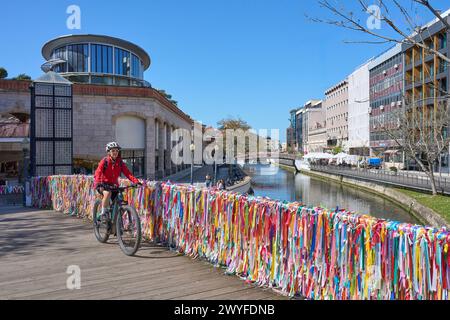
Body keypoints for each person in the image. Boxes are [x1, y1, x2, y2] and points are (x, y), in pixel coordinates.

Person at [94, 142, 141, 221]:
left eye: (116, 151)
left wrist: (136, 181)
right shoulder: (104, 161)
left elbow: (127, 173)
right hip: (103, 184)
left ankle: (115, 223)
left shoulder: (120, 162)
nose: (115, 152)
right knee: (108, 193)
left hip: (114, 185)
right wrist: (99, 184)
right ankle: (103, 213)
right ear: (109, 152)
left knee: (120, 199)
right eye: (113, 151)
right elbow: (98, 173)